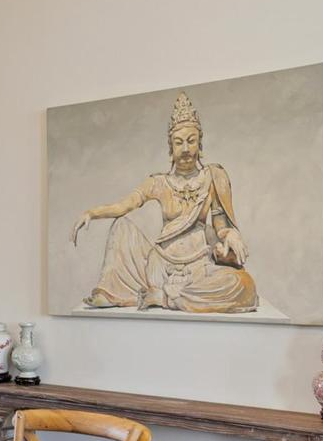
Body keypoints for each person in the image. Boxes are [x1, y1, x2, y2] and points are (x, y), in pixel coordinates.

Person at [72, 93, 258, 313]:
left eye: (191, 141)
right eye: (179, 143)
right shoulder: (158, 182)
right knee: (121, 225)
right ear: (171, 148)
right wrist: (91, 213)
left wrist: (231, 235)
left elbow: (221, 226)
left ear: (200, 144)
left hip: (198, 268)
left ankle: (164, 298)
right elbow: (124, 206)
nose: (186, 149)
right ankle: (116, 291)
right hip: (158, 266)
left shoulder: (213, 177)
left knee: (243, 286)